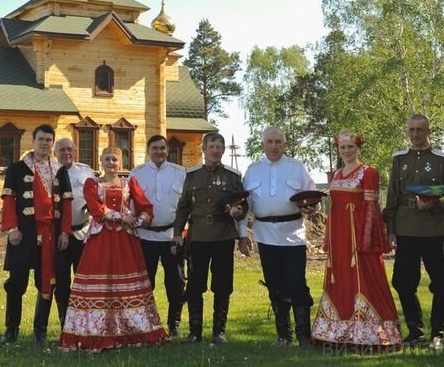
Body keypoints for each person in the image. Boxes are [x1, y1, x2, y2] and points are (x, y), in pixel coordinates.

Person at [58, 146, 168, 352]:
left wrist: (142, 219)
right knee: (100, 280)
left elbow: (145, 205)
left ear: (121, 162)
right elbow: (95, 208)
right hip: (101, 238)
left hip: (126, 240)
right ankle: (96, 330)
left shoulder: (129, 183)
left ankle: (132, 328)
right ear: (100, 161)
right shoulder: (93, 183)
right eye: (107, 159)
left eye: (115, 160)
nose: (111, 163)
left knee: (126, 280)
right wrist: (121, 217)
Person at [311, 132, 401, 350]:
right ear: (338, 150)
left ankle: (370, 332)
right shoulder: (335, 175)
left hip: (357, 236)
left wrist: (367, 239)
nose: (347, 151)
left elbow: (372, 208)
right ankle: (337, 331)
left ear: (358, 148)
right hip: (338, 237)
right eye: (343, 147)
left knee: (366, 277)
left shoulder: (368, 172)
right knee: (340, 278)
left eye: (351, 146)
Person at [383, 114, 444, 351]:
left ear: (428, 131)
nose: (415, 134)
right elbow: (392, 196)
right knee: (403, 282)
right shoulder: (399, 159)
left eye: (419, 130)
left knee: (440, 283)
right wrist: (391, 229)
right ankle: (415, 331)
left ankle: (437, 334)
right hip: (406, 230)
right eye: (411, 130)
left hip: (434, 231)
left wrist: (434, 204)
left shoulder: (442, 160)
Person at [238, 127, 319, 349]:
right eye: (269, 142)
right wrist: (242, 235)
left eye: (278, 142)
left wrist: (313, 207)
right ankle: (284, 335)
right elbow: (244, 206)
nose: (274, 146)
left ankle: (304, 335)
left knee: (296, 283)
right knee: (274, 285)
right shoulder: (253, 170)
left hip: (293, 235)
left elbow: (313, 197)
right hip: (265, 236)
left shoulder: (297, 168)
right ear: (263, 144)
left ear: (284, 144)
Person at [0, 123, 73, 344]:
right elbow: (9, 201)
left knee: (47, 282)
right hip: (24, 233)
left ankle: (39, 331)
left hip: (51, 233)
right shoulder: (17, 168)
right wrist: (12, 228)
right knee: (16, 282)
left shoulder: (58, 169)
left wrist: (65, 233)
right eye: (41, 139)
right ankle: (11, 330)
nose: (45, 143)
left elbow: (67, 204)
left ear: (52, 143)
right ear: (33, 141)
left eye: (48, 140)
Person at [173, 131, 248, 344]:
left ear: (223, 150)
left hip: (223, 236)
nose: (215, 151)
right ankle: (195, 331)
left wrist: (238, 212)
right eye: (211, 147)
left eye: (219, 147)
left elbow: (243, 203)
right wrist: (177, 233)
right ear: (203, 150)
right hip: (198, 237)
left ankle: (219, 331)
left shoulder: (233, 176)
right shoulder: (192, 175)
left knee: (223, 284)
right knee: (196, 284)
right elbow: (184, 206)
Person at [130, 135, 186, 336]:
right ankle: (145, 323)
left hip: (172, 236)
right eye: (155, 148)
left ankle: (174, 324)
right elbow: (129, 207)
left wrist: (181, 233)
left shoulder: (180, 173)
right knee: (145, 283)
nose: (159, 151)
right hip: (145, 237)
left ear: (168, 149)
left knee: (176, 282)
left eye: (162, 148)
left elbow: (186, 206)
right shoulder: (137, 174)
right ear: (148, 150)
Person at [46, 137, 94, 329]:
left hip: (82, 232)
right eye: (61, 150)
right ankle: (65, 318)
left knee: (83, 278)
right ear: (54, 153)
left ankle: (84, 318)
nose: (66, 153)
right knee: (61, 278)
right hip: (59, 235)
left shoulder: (86, 172)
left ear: (74, 150)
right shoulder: (50, 172)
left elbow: (94, 199)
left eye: (69, 149)